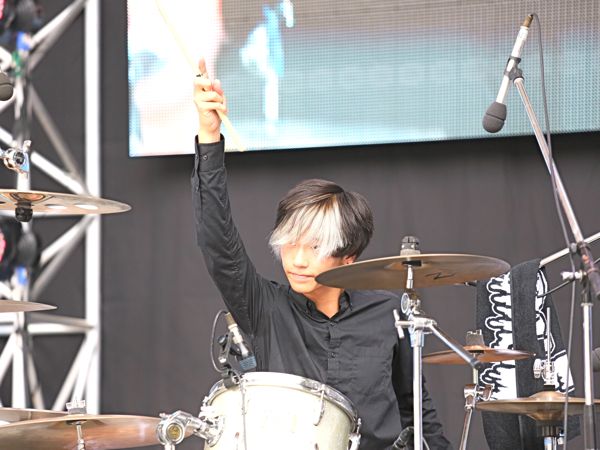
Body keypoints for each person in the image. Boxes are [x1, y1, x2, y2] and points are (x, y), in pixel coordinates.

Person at [191, 58, 452, 449]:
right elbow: (218, 242)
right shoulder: (266, 308)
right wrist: (210, 136)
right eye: (290, 243)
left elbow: (415, 406)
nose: (297, 260)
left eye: (315, 248)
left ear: (349, 257)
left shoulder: (388, 312)